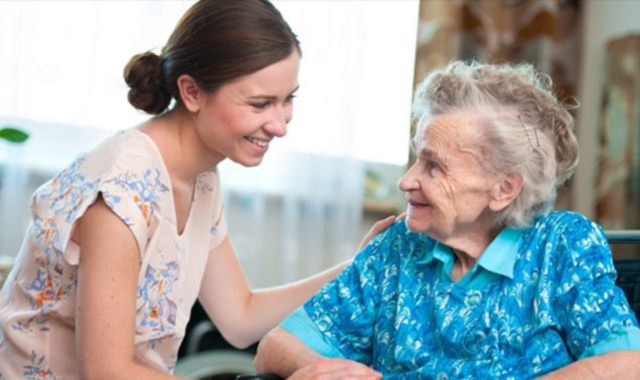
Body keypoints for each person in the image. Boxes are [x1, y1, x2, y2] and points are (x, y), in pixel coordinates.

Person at [0, 1, 395, 379]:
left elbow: (239, 317)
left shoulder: (200, 176)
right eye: (260, 104)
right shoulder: (120, 193)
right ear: (191, 92)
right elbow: (107, 372)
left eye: (287, 99)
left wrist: (357, 268)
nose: (280, 124)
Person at [254, 60, 640, 379]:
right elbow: (275, 348)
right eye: (416, 157)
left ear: (503, 188)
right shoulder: (397, 247)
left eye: (434, 166)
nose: (407, 181)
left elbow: (626, 361)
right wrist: (323, 371)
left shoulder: (562, 246)